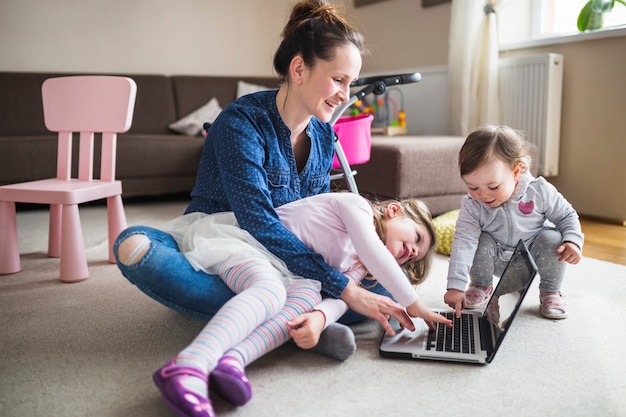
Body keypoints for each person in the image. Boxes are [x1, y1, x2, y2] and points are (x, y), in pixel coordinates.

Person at [113, 0, 414, 361]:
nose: (345, 95)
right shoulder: (241, 123)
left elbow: (316, 221)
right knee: (142, 250)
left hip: (291, 263)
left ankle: (296, 321)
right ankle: (297, 321)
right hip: (226, 247)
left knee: (383, 282)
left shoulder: (323, 138)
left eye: (350, 83)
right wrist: (343, 289)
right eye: (338, 80)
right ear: (299, 69)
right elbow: (258, 221)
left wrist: (350, 273)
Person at [152, 192, 453, 417]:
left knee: (307, 297)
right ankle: (189, 364)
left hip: (290, 272)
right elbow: (374, 251)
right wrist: (414, 304)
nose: (411, 251)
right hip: (248, 243)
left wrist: (320, 318)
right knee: (269, 292)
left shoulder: (361, 264)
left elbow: (342, 296)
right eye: (416, 238)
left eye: (414, 254)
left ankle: (233, 359)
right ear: (393, 210)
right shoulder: (354, 206)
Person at [443, 125, 584, 320]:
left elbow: (567, 215)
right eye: (472, 186)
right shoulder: (472, 205)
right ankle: (481, 286)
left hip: (530, 259)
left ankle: (550, 292)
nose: (482, 194)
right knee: (477, 240)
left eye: (493, 186)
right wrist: (455, 285)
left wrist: (573, 240)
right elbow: (463, 242)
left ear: (516, 171)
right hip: (495, 259)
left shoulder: (539, 190)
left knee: (553, 238)